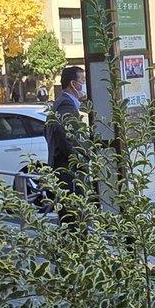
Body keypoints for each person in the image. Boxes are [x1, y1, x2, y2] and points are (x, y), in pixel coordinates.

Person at [45, 65, 88, 214]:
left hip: (62, 169)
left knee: (68, 216)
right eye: (82, 80)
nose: (84, 83)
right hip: (68, 172)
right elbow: (69, 138)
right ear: (73, 84)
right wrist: (81, 161)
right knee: (73, 216)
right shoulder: (66, 105)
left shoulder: (59, 102)